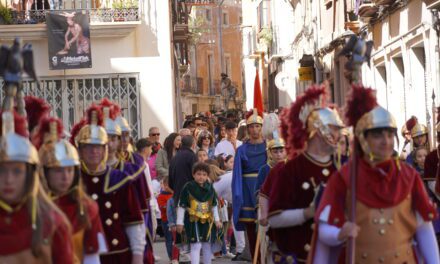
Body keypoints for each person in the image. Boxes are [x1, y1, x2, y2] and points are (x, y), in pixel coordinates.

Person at [312, 85, 439, 263]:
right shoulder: (345, 178)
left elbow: (424, 229)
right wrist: (340, 233)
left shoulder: (409, 176)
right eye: (378, 135)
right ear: (364, 139)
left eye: (389, 134)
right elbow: (324, 231)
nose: (386, 140)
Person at [266, 85, 344, 264]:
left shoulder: (341, 168)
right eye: (334, 129)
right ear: (319, 131)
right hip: (299, 256)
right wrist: (308, 213)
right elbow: (274, 218)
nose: (338, 135)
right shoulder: (290, 170)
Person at [71, 105, 146, 264]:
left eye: (98, 147)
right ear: (80, 150)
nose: (94, 152)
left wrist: (138, 257)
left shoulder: (120, 179)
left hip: (118, 255)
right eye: (88, 147)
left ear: (105, 149)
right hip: (80, 255)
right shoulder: (72, 181)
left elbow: (133, 223)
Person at [0, 110, 74, 263]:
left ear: (30, 173)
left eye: (17, 171)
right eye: (2, 170)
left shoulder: (53, 223)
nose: (8, 180)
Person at [37, 116, 106, 263]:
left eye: (69, 170)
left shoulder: (87, 207)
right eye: (58, 170)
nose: (65, 176)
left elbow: (92, 258)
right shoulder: (34, 208)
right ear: (46, 172)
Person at [232, 109, 268, 262]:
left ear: (262, 128)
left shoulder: (269, 147)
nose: (255, 129)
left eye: (257, 126)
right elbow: (237, 175)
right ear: (247, 129)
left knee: (267, 231)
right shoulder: (241, 150)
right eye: (252, 126)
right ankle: (255, 259)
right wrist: (238, 197)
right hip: (247, 191)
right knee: (252, 233)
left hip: (265, 189)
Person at [176, 162, 223, 264]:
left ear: (207, 176)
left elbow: (214, 205)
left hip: (208, 221)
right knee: (196, 245)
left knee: (207, 246)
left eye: (204, 174)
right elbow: (181, 205)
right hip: (193, 220)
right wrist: (179, 222)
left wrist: (217, 220)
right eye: (198, 174)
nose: (201, 177)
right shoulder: (188, 187)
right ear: (193, 174)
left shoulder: (210, 188)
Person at [169, 135, 198, 203]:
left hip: (177, 195)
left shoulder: (174, 157)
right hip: (190, 196)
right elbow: (197, 176)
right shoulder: (192, 156)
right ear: (193, 144)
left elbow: (170, 182)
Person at [157, 177, 174, 262]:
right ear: (164, 185)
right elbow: (163, 207)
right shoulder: (161, 196)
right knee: (169, 239)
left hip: (175, 220)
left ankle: (176, 256)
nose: (167, 187)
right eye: (166, 185)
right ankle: (171, 257)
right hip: (166, 221)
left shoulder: (174, 194)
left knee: (176, 239)